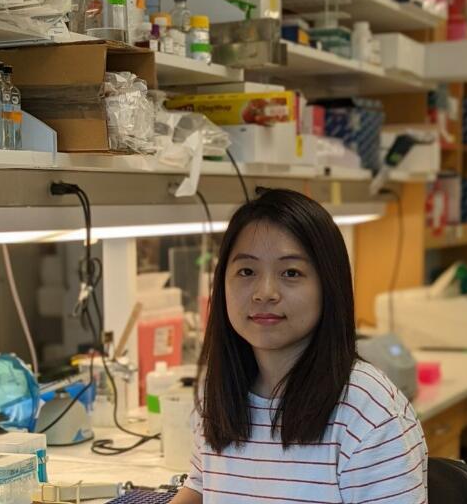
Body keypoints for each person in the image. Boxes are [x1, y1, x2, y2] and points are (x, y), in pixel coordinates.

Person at [171, 189, 427, 504]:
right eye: (246, 271)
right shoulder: (222, 391)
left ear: (328, 285)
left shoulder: (368, 413)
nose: (264, 293)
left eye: (291, 273)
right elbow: (200, 484)